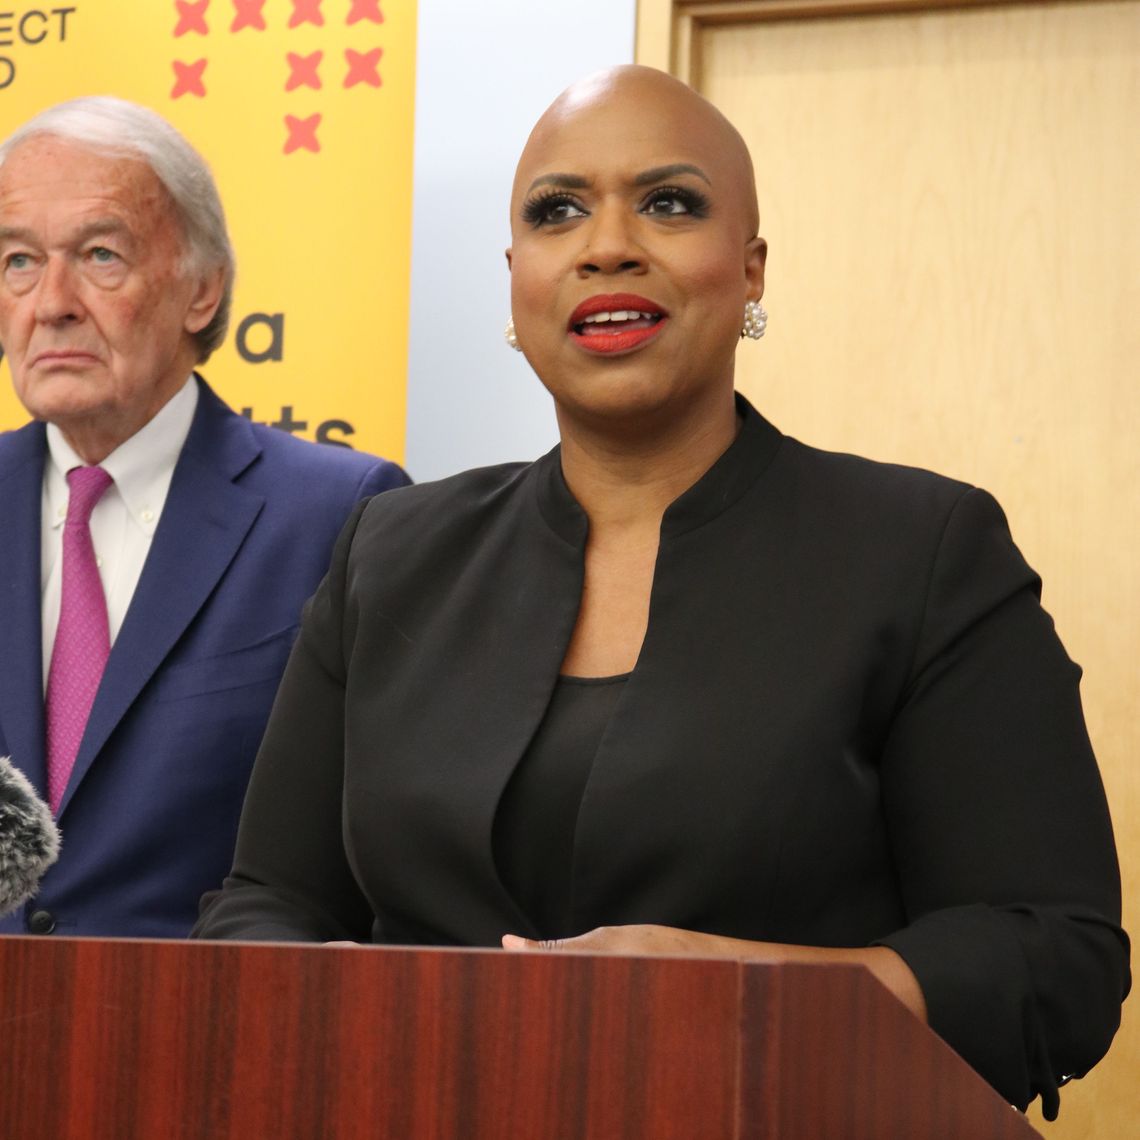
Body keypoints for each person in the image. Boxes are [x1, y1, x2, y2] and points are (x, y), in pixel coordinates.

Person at [193, 67, 1128, 1117]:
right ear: (516, 280)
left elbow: (1055, 959)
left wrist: (717, 989)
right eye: (558, 213)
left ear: (752, 268)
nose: (606, 246)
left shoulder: (925, 550)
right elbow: (268, 903)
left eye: (669, 203)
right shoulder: (391, 550)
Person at [0, 97, 409, 939]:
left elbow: (381, 863)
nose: (52, 302)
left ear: (202, 288)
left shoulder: (343, 514)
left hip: (212, 1041)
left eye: (100, 255)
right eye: (18, 262)